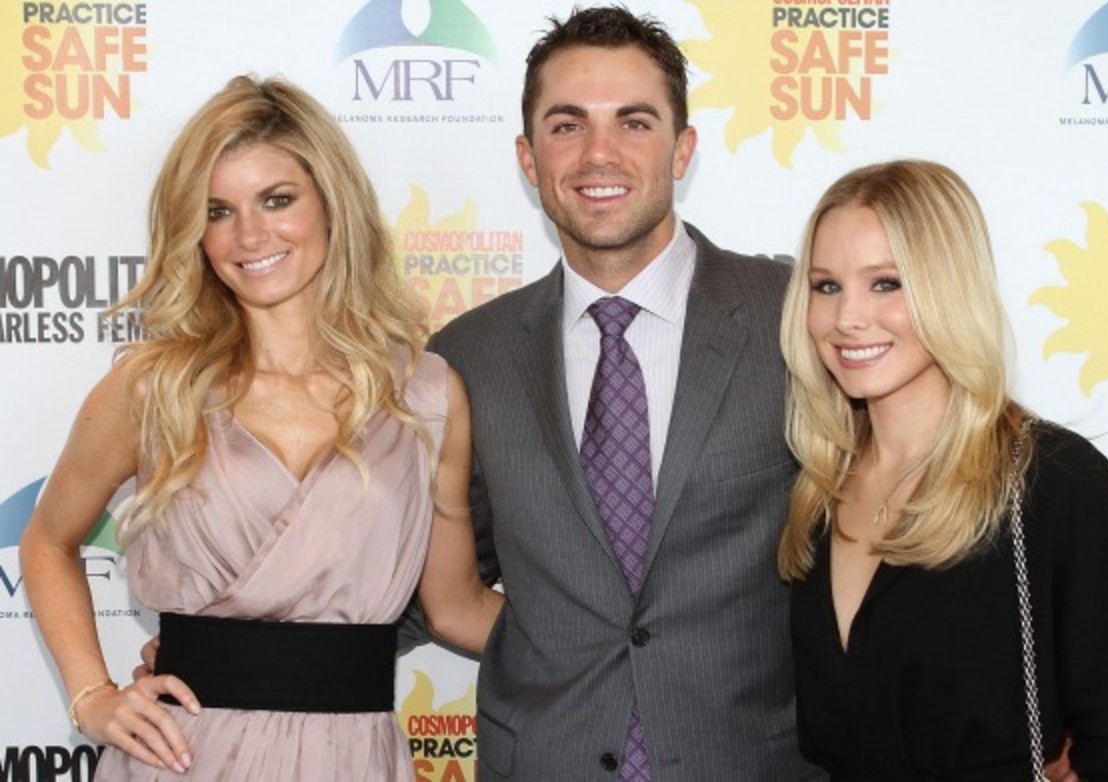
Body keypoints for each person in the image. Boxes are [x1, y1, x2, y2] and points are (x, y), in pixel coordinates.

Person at [19, 75, 501, 781]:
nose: (250, 234)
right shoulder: (153, 389)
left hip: (352, 760)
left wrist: (627, 648)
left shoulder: (425, 396)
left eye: (277, 200)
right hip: (180, 756)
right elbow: (46, 540)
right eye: (218, 211)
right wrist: (92, 694)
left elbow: (456, 607)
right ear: (194, 232)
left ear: (331, 205)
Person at [421, 7, 825, 781]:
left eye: (633, 122)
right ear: (528, 157)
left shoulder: (795, 320)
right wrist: (238, 653)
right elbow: (424, 572)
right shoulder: (466, 358)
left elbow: (905, 519)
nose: (597, 153)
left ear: (683, 149)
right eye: (566, 125)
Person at [779, 159, 1108, 779]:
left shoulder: (1051, 482)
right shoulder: (816, 491)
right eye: (826, 285)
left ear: (949, 287)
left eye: (886, 283)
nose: (847, 318)